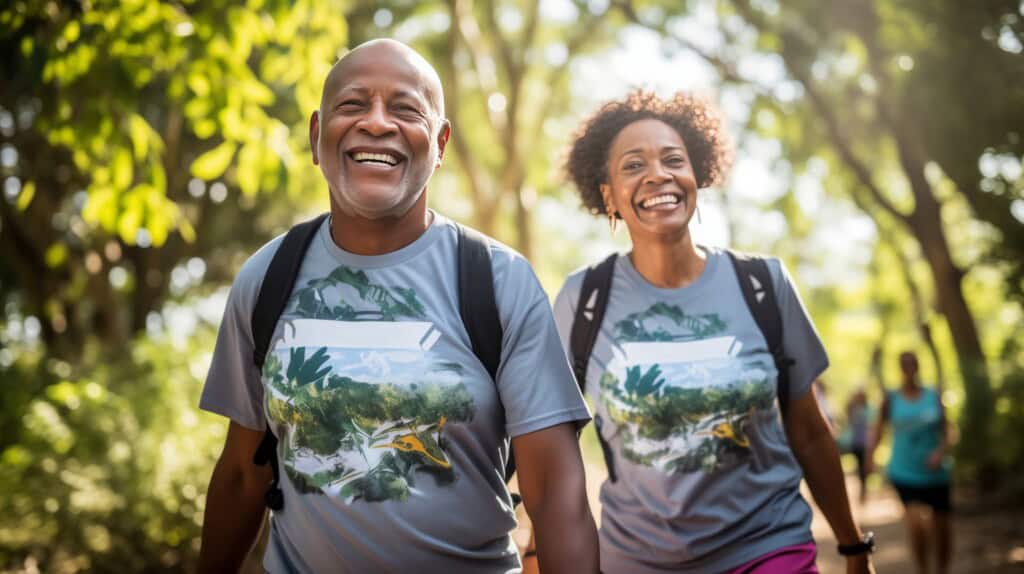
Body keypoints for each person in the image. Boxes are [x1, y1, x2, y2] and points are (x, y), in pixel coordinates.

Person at [197, 39, 598, 574]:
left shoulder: (499, 281)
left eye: (406, 108)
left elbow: (555, 495)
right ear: (318, 137)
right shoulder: (268, 276)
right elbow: (242, 475)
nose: (378, 123)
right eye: (353, 104)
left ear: (441, 142)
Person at [552, 90, 874, 573]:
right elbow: (554, 445)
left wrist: (852, 548)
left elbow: (809, 432)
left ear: (697, 174)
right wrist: (540, 545)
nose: (658, 174)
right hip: (637, 561)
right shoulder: (584, 299)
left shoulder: (763, 284)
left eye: (673, 160)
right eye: (633, 165)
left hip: (768, 547)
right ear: (609, 196)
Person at [868, 351, 952, 574]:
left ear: (918, 366)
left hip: (936, 473)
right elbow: (878, 431)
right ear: (900, 367)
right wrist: (870, 460)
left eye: (912, 363)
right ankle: (923, 569)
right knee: (916, 525)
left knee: (942, 528)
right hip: (904, 472)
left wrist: (940, 452)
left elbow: (948, 431)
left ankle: (942, 569)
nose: (909, 368)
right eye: (904, 364)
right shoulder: (891, 399)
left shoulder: (933, 396)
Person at [844, 387, 870, 505]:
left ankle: (864, 490)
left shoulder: (869, 410)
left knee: (864, 467)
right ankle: (862, 489)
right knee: (860, 467)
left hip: (866, 443)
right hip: (856, 443)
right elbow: (847, 411)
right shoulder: (853, 409)